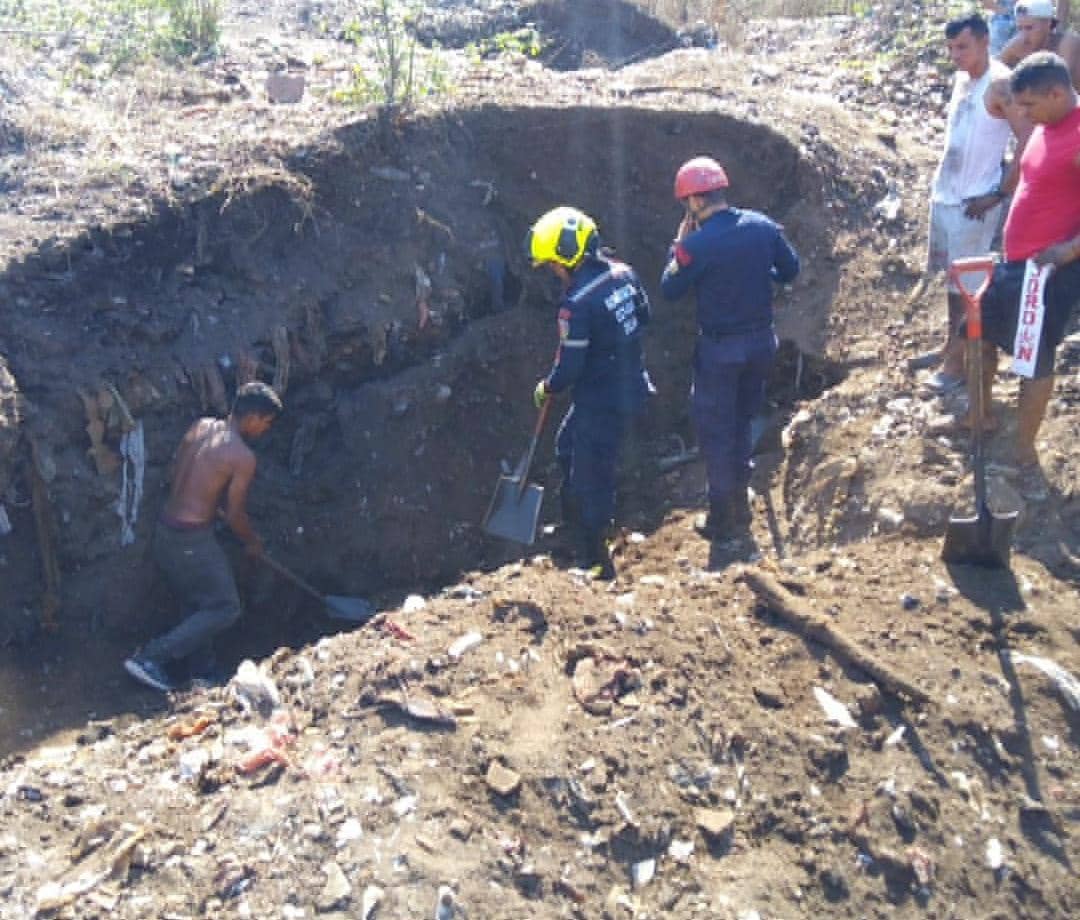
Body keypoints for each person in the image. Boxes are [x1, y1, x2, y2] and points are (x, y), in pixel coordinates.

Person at [659, 157, 799, 541]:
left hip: (721, 351)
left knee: (716, 431)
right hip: (760, 344)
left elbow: (670, 289)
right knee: (741, 420)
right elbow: (790, 271)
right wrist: (758, 276)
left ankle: (724, 519)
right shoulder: (763, 227)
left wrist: (679, 246)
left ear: (694, 202)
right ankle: (741, 494)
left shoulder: (697, 245)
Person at [124, 381, 283, 691]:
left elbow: (175, 475)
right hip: (190, 541)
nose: (265, 429)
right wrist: (251, 542)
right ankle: (150, 658)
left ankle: (202, 672)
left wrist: (208, 504)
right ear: (252, 417)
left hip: (166, 530)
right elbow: (236, 513)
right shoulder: (241, 456)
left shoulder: (200, 427)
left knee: (198, 602)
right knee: (225, 606)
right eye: (266, 422)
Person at [971, 52, 1080, 499]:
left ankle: (1022, 453)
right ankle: (981, 419)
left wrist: (1069, 250)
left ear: (1057, 92)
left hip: (1049, 270)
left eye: (1031, 105)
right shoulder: (1047, 125)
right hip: (1016, 260)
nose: (1025, 115)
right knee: (977, 335)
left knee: (1034, 362)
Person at [527, 206, 652, 579]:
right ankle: (573, 525)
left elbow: (569, 370)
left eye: (553, 264)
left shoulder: (576, 304)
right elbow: (644, 317)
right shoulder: (624, 274)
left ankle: (594, 556)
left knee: (590, 476)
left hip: (602, 401)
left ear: (568, 256)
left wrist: (548, 385)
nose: (553, 272)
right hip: (630, 383)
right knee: (567, 447)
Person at [920, 14, 1015, 393]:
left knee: (969, 287)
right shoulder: (962, 80)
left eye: (963, 47)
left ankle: (959, 365)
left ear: (984, 41)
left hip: (974, 203)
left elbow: (1028, 142)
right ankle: (952, 348)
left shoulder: (1001, 83)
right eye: (951, 48)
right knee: (951, 284)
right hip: (946, 197)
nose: (955, 55)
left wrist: (998, 193)